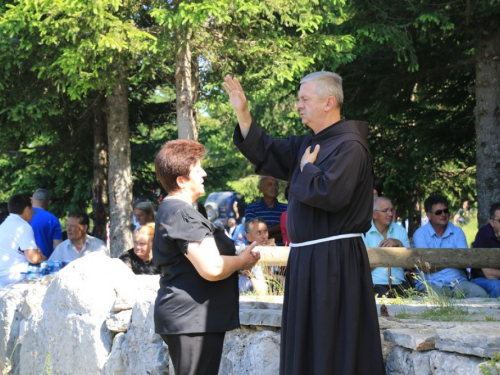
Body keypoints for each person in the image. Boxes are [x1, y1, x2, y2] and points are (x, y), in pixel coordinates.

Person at [224, 72, 384, 374]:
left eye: (304, 99)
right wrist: (242, 112)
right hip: (306, 258)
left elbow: (331, 194)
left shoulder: (351, 147)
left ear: (329, 102)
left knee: (331, 338)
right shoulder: (307, 144)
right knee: (307, 339)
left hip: (334, 261)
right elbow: (265, 151)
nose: (298, 105)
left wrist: (307, 168)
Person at [153, 139, 260, 375]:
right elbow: (211, 267)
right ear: (181, 180)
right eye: (197, 168)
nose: (203, 173)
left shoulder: (175, 211)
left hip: (191, 318)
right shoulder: (182, 214)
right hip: (191, 318)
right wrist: (242, 261)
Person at [413, 194, 487, 298]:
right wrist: (452, 259)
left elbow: (464, 261)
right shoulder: (420, 234)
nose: (443, 214)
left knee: (481, 294)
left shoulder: (458, 232)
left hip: (458, 282)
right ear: (429, 215)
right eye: (438, 212)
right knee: (439, 301)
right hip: (432, 283)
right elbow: (426, 267)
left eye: (446, 211)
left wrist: (438, 261)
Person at [363, 197, 412, 297]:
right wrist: (383, 254)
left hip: (400, 284)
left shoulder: (400, 230)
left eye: (391, 210)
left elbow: (410, 265)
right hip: (375, 284)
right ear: (374, 214)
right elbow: (362, 267)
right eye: (385, 211)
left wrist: (399, 244)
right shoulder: (364, 233)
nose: (390, 214)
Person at [0, 193, 46, 288]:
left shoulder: (4, 225)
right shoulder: (23, 227)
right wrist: (42, 257)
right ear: (27, 210)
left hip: (2, 274)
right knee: (54, 268)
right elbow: (33, 259)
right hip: (14, 275)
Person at [245, 176, 287, 244]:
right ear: (260, 189)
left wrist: (262, 235)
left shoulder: (286, 208)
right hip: (260, 252)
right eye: (270, 184)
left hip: (283, 251)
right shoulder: (252, 208)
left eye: (276, 184)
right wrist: (282, 226)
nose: (274, 187)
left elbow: (289, 235)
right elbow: (252, 233)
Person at [470, 202, 500, 297]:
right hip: (481, 278)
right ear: (492, 222)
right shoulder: (483, 236)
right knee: (496, 285)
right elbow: (489, 274)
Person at [238, 218, 270, 295]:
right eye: (259, 233)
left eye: (265, 231)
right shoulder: (244, 251)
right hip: (245, 298)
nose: (264, 236)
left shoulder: (273, 251)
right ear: (248, 237)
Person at [29, 189, 63, 258]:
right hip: (45, 262)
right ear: (49, 203)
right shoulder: (53, 219)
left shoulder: (22, 216)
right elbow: (58, 247)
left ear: (31, 200)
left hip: (21, 262)